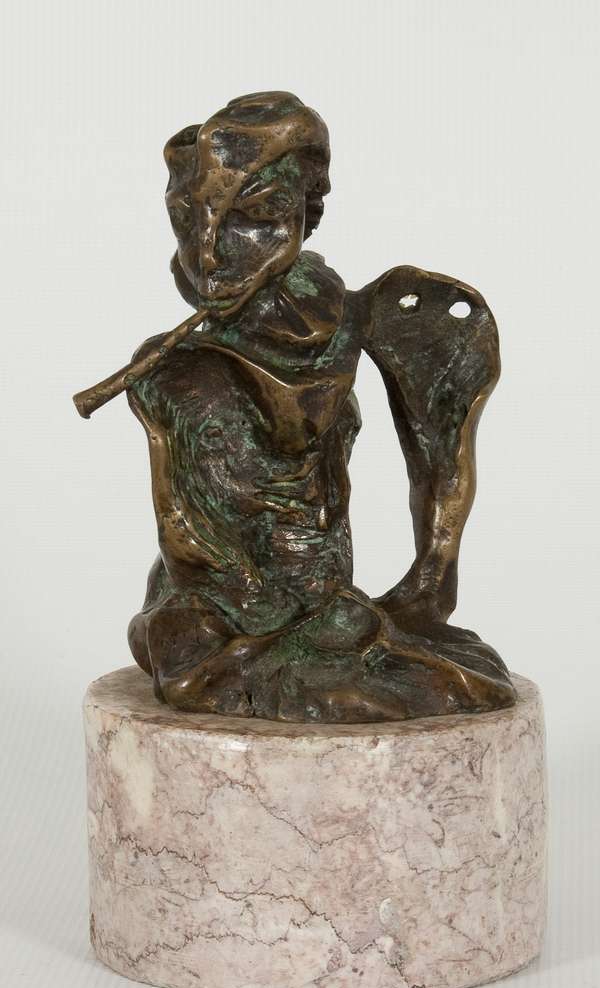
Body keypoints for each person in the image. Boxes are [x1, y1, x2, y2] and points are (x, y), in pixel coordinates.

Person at [127, 91, 515, 721]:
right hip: (220, 613)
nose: (210, 252)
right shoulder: (180, 370)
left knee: (389, 654)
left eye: (256, 213)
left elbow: (442, 451)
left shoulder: (348, 320)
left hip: (323, 601)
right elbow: (193, 547)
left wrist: (429, 577)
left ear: (306, 211)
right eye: (186, 218)